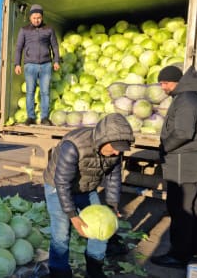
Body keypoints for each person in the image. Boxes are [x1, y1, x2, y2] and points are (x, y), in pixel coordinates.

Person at [43, 113, 134, 278]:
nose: (115, 152)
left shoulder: (115, 152)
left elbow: (114, 177)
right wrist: (73, 215)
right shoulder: (73, 145)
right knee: (61, 233)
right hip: (58, 187)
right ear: (102, 139)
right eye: (113, 147)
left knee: (100, 227)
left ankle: (94, 269)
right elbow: (62, 182)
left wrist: (112, 205)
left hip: (86, 187)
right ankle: (59, 272)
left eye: (120, 149)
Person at [150, 65, 197, 269]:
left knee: (179, 208)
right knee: (191, 207)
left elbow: (183, 133)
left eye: (165, 83)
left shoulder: (187, 99)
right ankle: (192, 249)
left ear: (176, 81)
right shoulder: (187, 96)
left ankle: (178, 255)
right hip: (188, 160)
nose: (163, 87)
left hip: (184, 162)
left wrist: (165, 146)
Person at [14, 4, 60, 126]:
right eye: (34, 17)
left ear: (42, 17)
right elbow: (19, 47)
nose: (36, 20)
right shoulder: (24, 30)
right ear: (30, 17)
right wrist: (17, 64)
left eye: (39, 17)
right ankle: (30, 117)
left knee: (45, 92)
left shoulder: (49, 29)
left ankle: (44, 118)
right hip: (30, 65)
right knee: (30, 92)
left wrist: (56, 61)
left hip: (46, 65)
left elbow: (54, 46)